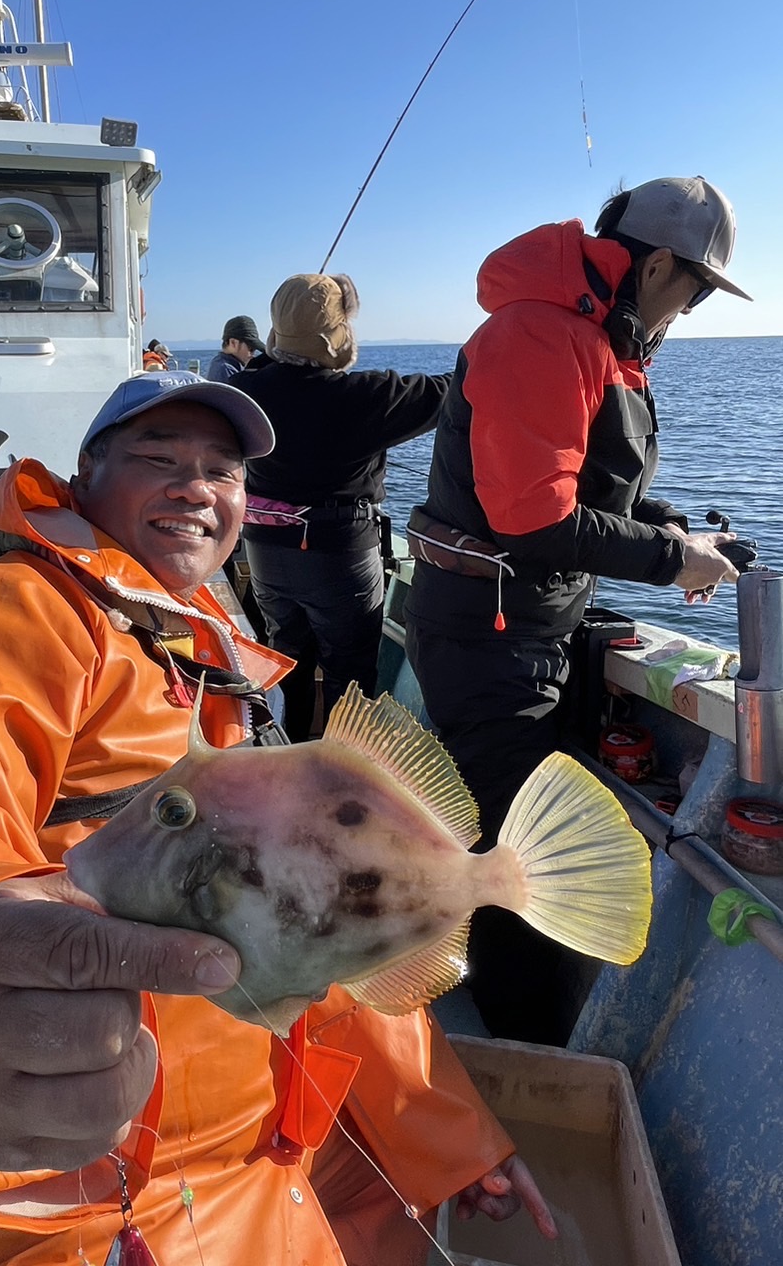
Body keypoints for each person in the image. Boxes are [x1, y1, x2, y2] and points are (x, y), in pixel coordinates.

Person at [0, 369, 552, 1266]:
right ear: (85, 478)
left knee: (393, 1238)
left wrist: (453, 1140)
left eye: (222, 469)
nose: (196, 484)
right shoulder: (17, 611)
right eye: (158, 459)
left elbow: (325, 934)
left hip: (255, 1161)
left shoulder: (212, 654)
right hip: (62, 1197)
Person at [404, 174, 750, 1045]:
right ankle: (517, 1055)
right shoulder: (539, 332)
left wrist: (660, 527)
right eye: (696, 289)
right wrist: (674, 560)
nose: (692, 309)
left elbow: (582, 485)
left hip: (526, 627)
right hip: (491, 640)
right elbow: (532, 512)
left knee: (514, 827)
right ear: (658, 264)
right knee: (515, 856)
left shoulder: (594, 336)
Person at [241, 272, 449, 741]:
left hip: (265, 548)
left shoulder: (249, 391)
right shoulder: (364, 396)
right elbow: (451, 390)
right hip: (339, 553)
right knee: (350, 673)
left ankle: (285, 752)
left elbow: (258, 372)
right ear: (338, 337)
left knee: (286, 657)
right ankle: (338, 768)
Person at [206, 313, 266, 383]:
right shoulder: (226, 370)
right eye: (251, 349)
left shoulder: (220, 365)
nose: (252, 354)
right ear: (233, 343)